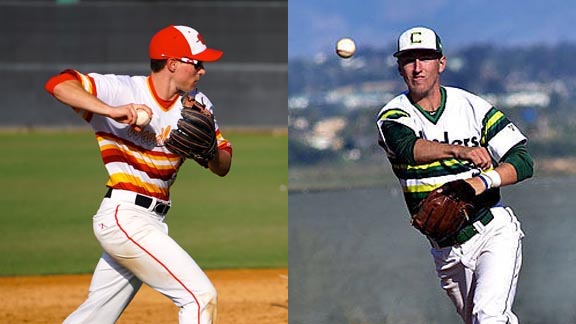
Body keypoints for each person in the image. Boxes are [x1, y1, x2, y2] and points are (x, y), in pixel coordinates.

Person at [45, 25, 232, 324]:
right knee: (199, 296)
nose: (202, 70)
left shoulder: (197, 103)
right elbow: (58, 84)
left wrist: (210, 151)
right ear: (172, 63)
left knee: (95, 317)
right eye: (196, 62)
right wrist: (110, 110)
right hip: (123, 216)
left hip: (153, 221)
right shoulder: (123, 90)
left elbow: (223, 166)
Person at [376, 26, 534, 324]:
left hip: (491, 231)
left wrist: (483, 181)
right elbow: (408, 148)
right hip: (445, 251)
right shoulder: (393, 115)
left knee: (489, 317)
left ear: (442, 63)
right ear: (400, 67)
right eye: (409, 60)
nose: (418, 67)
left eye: (426, 58)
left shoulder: (472, 107)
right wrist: (460, 151)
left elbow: (522, 160)